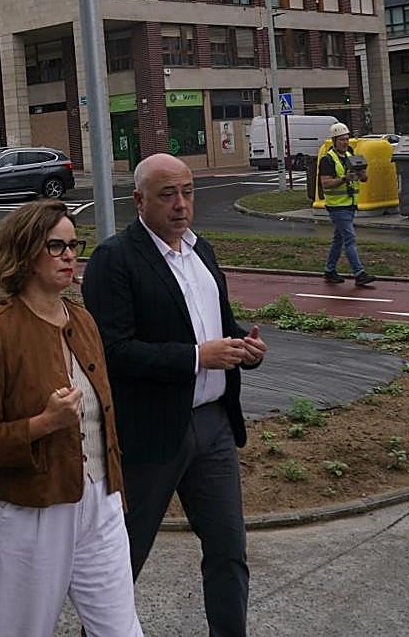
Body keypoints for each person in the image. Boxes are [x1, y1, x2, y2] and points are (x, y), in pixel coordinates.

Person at [82, 154, 266, 637]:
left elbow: (218, 327)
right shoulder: (114, 260)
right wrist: (194, 358)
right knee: (124, 557)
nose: (181, 205)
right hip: (151, 433)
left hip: (213, 428)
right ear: (139, 200)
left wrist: (245, 345)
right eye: (168, 195)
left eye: (187, 192)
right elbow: (112, 351)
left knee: (229, 549)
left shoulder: (201, 251)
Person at [0, 200, 142, 637]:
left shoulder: (83, 319)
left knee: (120, 630)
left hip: (100, 498)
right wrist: (41, 424)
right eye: (56, 246)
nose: (71, 255)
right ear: (25, 252)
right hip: (31, 508)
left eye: (74, 244)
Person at [317, 122, 375, 287]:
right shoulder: (327, 160)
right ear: (334, 141)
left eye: (347, 139)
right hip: (337, 206)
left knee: (339, 240)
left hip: (350, 204)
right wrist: (344, 179)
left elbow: (364, 179)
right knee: (350, 238)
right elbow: (326, 184)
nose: (345, 142)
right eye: (342, 139)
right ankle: (359, 273)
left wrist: (363, 174)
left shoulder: (351, 155)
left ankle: (329, 270)